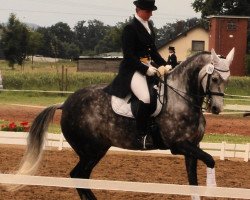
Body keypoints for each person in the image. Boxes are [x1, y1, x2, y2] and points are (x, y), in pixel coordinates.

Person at [104, 0, 168, 149]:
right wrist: (145, 69)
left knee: (160, 94)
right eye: (148, 11)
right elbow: (129, 56)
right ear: (138, 9)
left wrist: (165, 64)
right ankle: (141, 135)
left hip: (148, 67)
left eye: (151, 11)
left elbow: (153, 51)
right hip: (132, 70)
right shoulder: (130, 28)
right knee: (145, 98)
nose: (151, 14)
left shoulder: (148, 26)